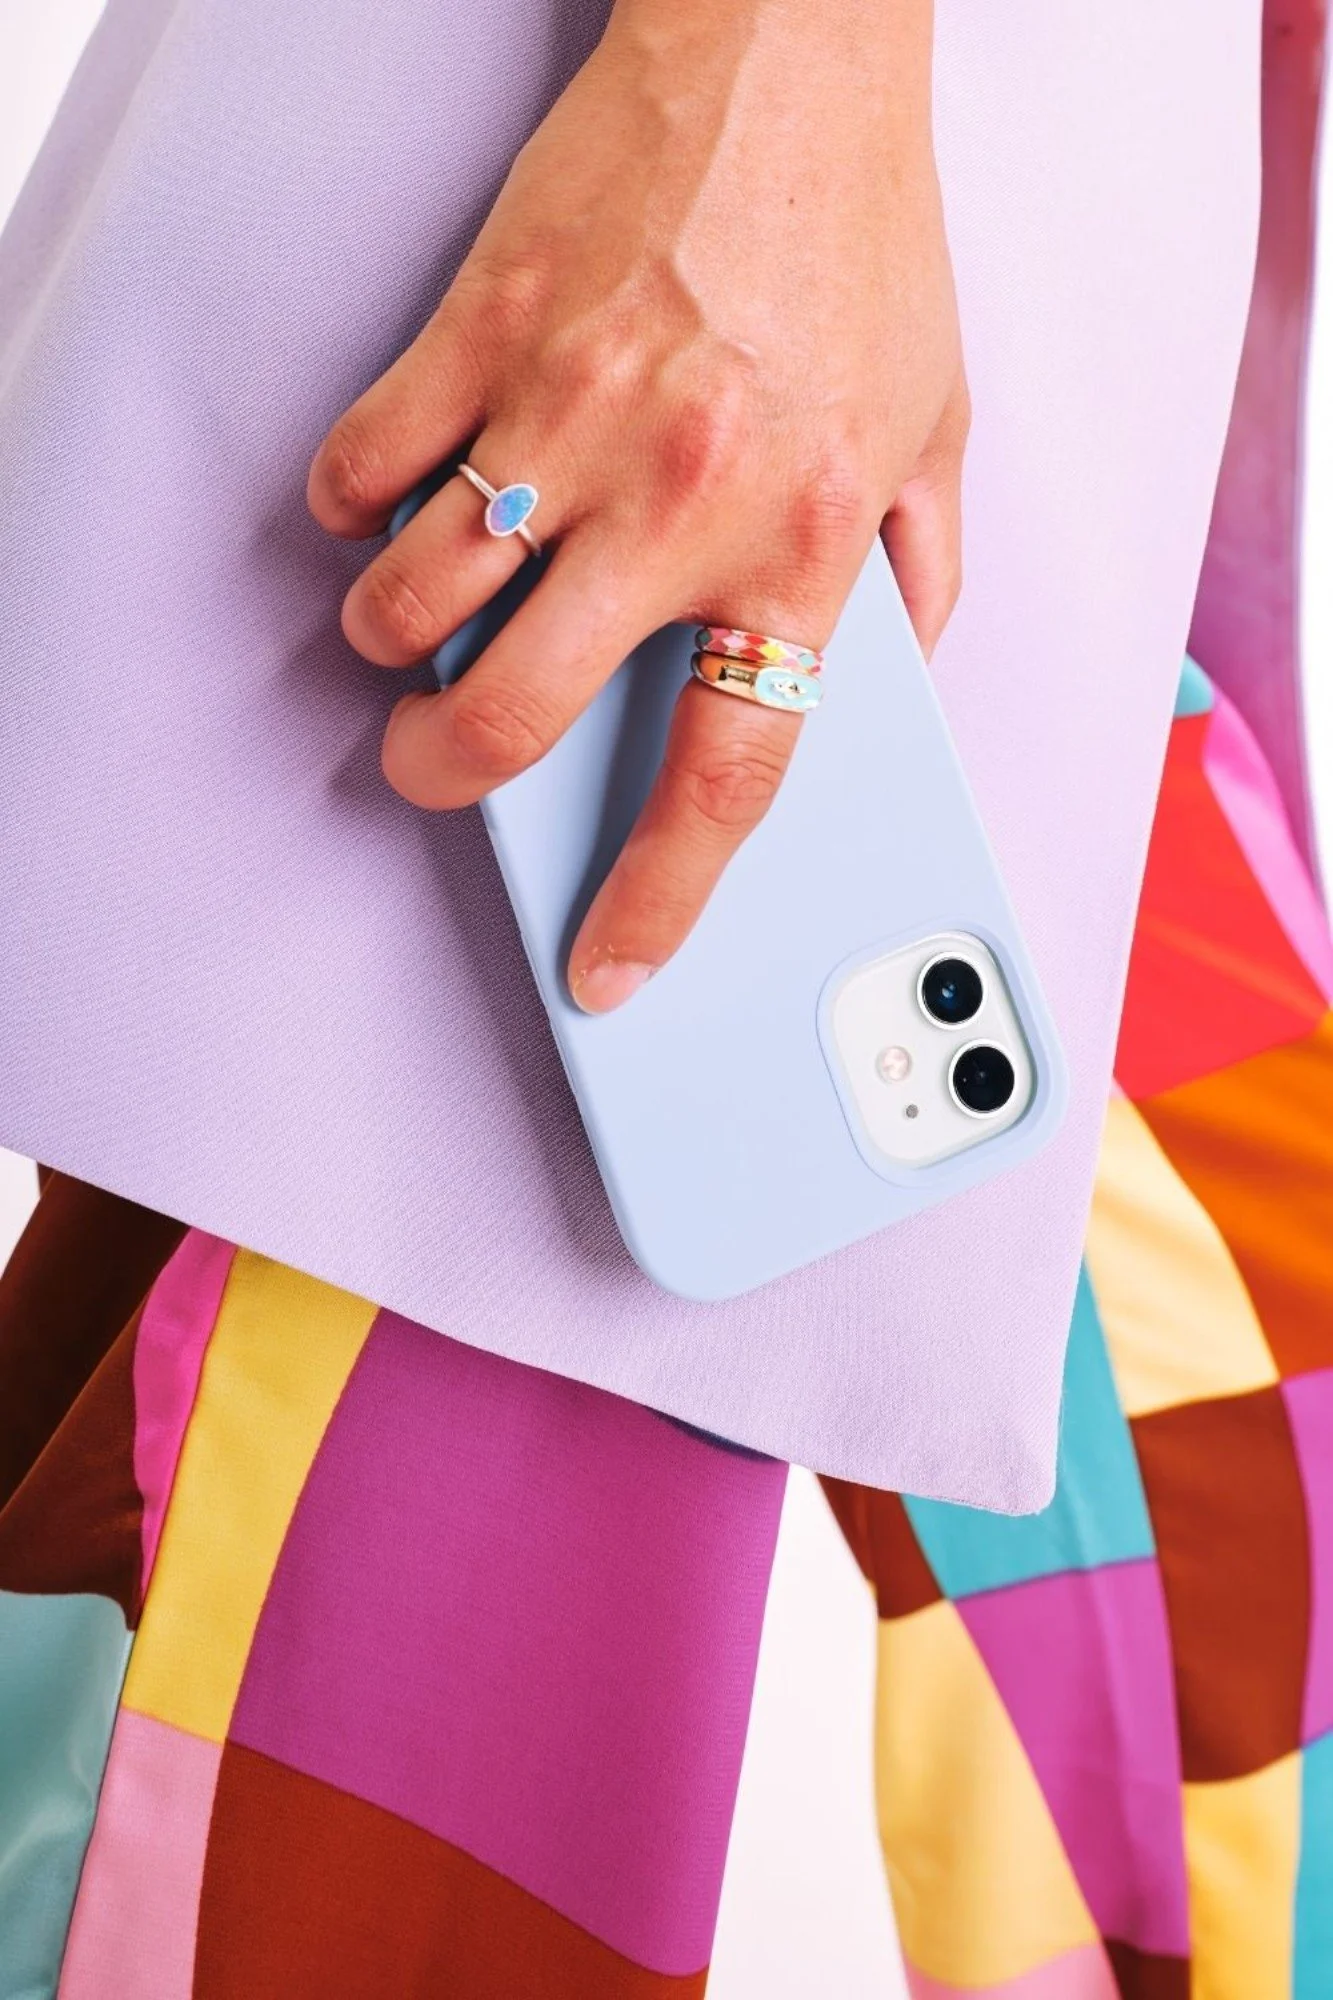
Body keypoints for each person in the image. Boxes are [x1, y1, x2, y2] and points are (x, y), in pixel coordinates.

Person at [1, 0, 1324, 1990]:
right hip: (701, 335)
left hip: (991, 347)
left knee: (1243, 1570)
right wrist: (773, 92)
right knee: (352, 1766)